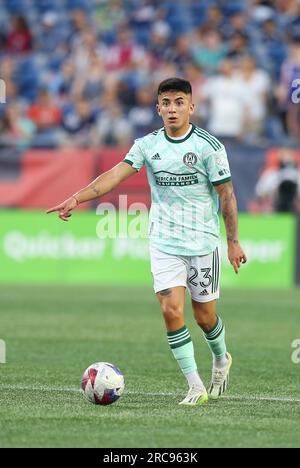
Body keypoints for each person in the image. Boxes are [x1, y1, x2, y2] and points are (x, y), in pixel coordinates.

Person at [47, 78, 247, 406]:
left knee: (205, 317)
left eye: (179, 102)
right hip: (164, 241)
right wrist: (76, 197)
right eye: (166, 103)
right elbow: (113, 176)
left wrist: (233, 242)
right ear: (158, 108)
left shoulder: (209, 147)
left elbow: (226, 194)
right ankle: (195, 387)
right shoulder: (146, 145)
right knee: (171, 311)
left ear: (191, 107)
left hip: (202, 243)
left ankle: (221, 357)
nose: (172, 108)